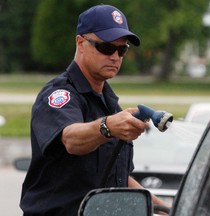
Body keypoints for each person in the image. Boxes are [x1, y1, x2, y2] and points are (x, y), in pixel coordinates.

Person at [20, 4, 168, 215]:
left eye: (122, 49)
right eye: (106, 48)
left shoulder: (110, 103)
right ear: (81, 43)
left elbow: (118, 178)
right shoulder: (59, 94)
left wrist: (166, 208)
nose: (115, 56)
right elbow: (71, 139)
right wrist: (107, 127)